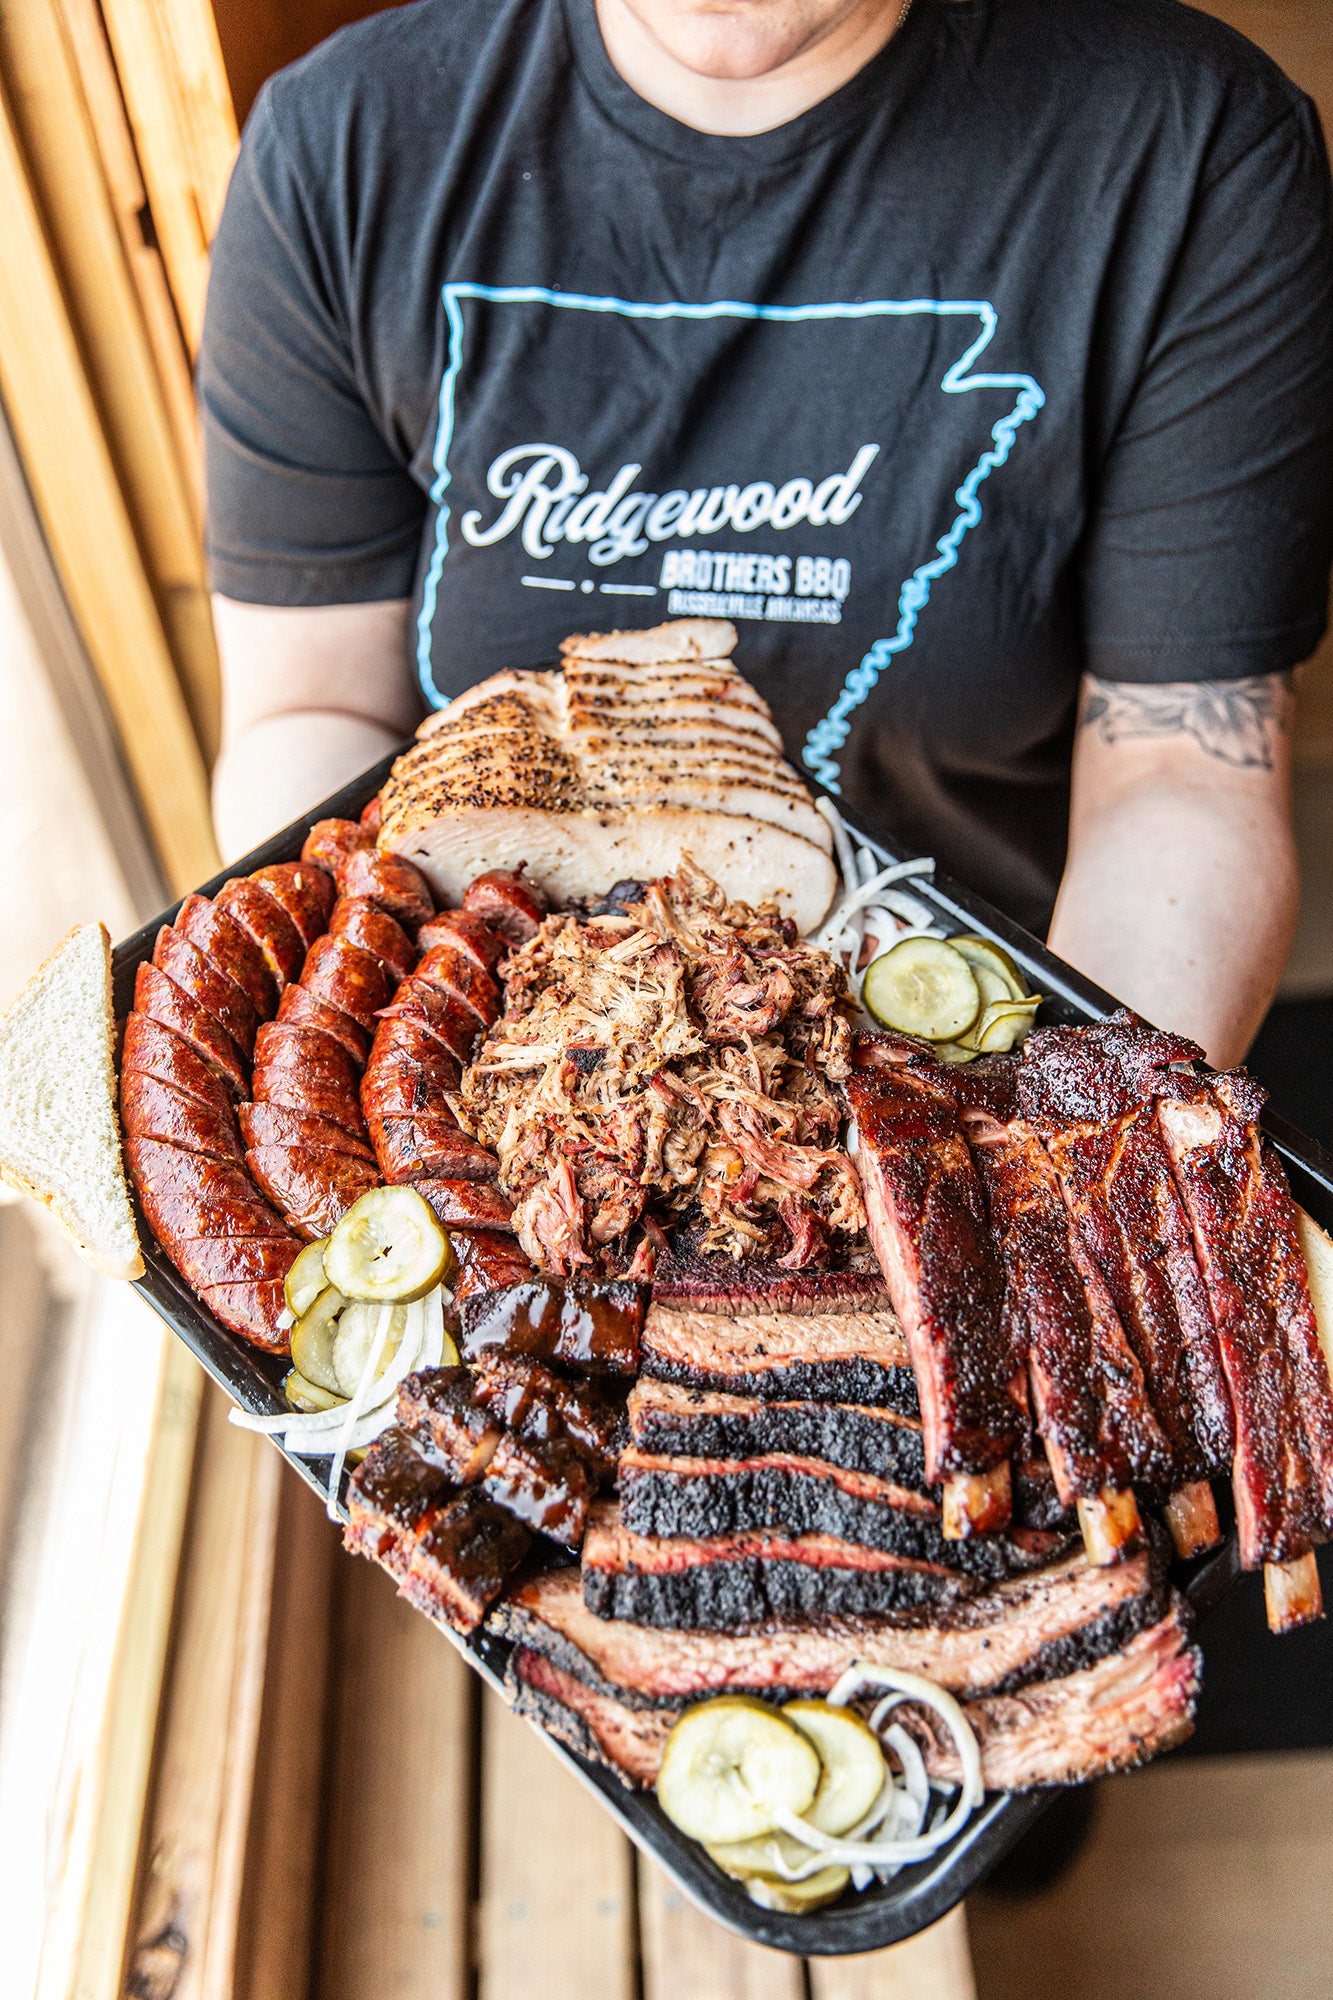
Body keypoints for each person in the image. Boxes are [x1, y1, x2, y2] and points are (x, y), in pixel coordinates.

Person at [201, 0, 1333, 1072]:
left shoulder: (1191, 147)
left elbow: (1181, 767)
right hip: (490, 1026)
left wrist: (1066, 1134)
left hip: (994, 1014)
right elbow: (313, 712)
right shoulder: (339, 148)